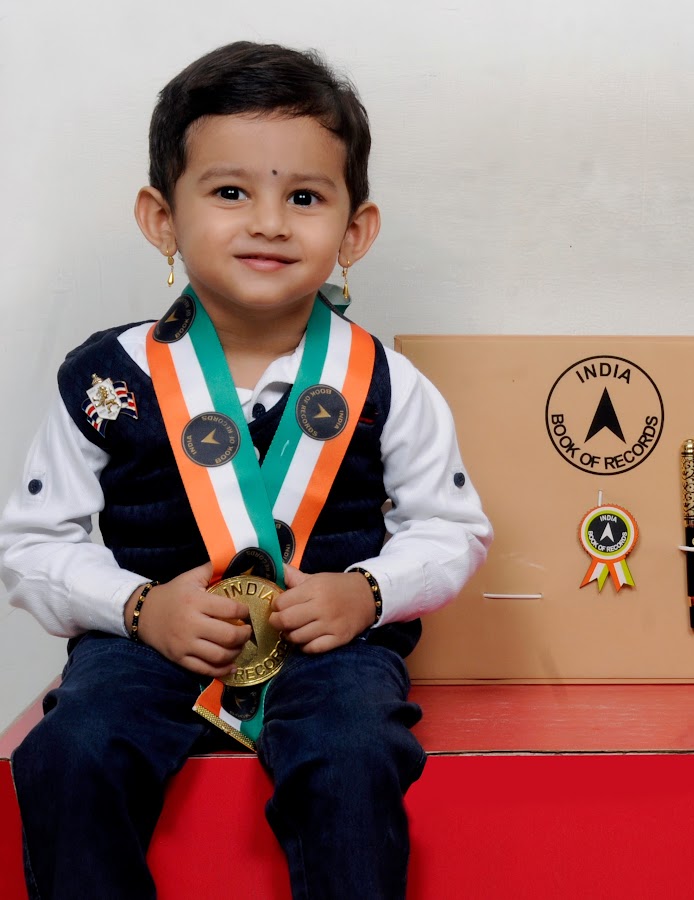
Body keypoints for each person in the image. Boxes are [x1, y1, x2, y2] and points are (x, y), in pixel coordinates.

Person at [0, 41, 492, 900]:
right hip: (145, 646)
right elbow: (33, 545)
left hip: (327, 648)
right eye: (230, 192)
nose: (269, 222)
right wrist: (139, 608)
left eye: (304, 196)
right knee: (71, 750)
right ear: (162, 218)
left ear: (354, 231)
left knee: (355, 752)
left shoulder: (386, 381)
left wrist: (366, 593)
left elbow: (452, 529)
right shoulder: (107, 380)